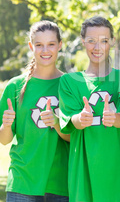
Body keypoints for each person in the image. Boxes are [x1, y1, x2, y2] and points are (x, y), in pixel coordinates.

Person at [58, 16, 120, 201]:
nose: (97, 47)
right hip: (85, 170)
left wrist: (114, 117)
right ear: (82, 42)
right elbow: (71, 121)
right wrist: (81, 118)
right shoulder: (69, 82)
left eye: (104, 41)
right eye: (91, 41)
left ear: (111, 42)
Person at [0, 21, 69, 201]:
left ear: (60, 45)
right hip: (23, 181)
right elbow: (4, 140)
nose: (45, 50)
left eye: (51, 44)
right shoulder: (15, 86)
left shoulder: (70, 85)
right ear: (31, 46)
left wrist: (55, 122)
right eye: (39, 45)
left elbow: (73, 136)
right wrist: (6, 125)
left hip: (60, 182)